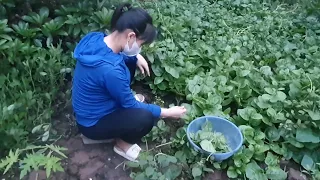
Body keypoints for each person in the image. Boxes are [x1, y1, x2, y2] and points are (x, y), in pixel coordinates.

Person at [72, 3, 187, 162]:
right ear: (131, 36)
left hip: (88, 109)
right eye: (141, 44)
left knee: (131, 61)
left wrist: (134, 56)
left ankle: (123, 103)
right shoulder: (111, 71)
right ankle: (122, 144)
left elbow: (111, 58)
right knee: (145, 117)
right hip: (92, 124)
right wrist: (168, 112)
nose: (140, 49)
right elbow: (131, 105)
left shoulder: (96, 38)